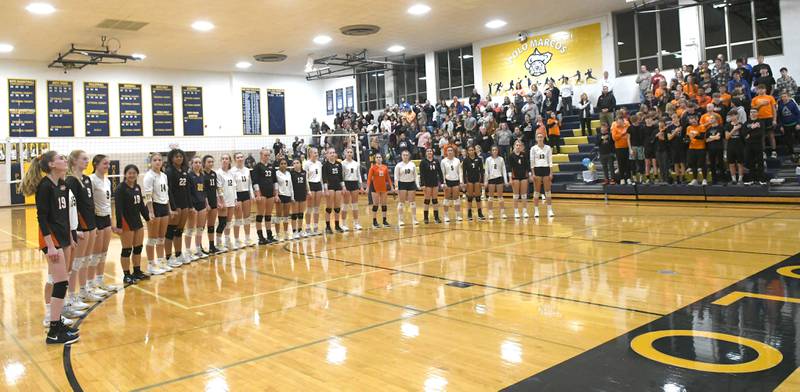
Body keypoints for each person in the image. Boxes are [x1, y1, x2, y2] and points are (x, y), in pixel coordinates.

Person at [23, 151, 81, 344]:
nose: (64, 161)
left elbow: (63, 215)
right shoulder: (45, 186)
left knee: (61, 280)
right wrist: (51, 246)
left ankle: (57, 324)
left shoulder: (62, 184)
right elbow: (42, 218)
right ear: (51, 165)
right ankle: (53, 330)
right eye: (60, 159)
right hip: (50, 238)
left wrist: (70, 238)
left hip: (62, 237)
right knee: (61, 281)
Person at [64, 151, 95, 318]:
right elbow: (72, 207)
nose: (87, 161)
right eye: (84, 158)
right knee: (75, 264)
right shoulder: (71, 180)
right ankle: (72, 297)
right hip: (80, 226)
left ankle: (83, 291)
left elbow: (88, 203)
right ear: (74, 161)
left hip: (90, 224)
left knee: (84, 261)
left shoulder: (86, 179)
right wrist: (77, 229)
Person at [112, 164, 150, 287]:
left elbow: (141, 205)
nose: (132, 175)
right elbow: (118, 209)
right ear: (125, 174)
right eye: (129, 173)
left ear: (137, 174)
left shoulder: (137, 187)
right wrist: (119, 225)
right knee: (127, 250)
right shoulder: (120, 189)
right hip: (126, 222)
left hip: (137, 222)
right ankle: (126, 275)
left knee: (138, 248)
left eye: (134, 173)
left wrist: (148, 218)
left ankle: (137, 271)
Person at [88, 155, 117, 297]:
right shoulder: (91, 180)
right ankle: (90, 284)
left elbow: (107, 201)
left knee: (103, 252)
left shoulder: (107, 180)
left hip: (106, 217)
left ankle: (100, 281)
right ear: (96, 164)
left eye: (108, 163)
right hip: (96, 218)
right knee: (95, 253)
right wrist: (92, 224)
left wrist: (111, 221)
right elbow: (89, 202)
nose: (107, 165)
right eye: (105, 163)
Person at [143, 153, 171, 276]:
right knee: (152, 238)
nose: (158, 162)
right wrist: (150, 211)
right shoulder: (149, 176)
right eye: (155, 160)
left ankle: (160, 261)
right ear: (151, 162)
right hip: (154, 206)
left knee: (161, 237)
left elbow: (167, 193)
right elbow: (148, 195)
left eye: (159, 160)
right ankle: (150, 264)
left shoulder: (164, 175)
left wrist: (169, 208)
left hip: (164, 206)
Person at [164, 149, 192, 265]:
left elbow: (187, 190)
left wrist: (190, 205)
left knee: (179, 231)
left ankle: (179, 254)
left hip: (184, 203)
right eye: (176, 156)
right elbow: (168, 190)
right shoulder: (169, 172)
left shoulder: (184, 171)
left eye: (181, 156)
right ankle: (168, 257)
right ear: (171, 158)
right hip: (175, 205)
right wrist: (173, 207)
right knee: (170, 231)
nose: (179, 158)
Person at [252, 149, 277, 244]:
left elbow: (275, 180)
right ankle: (260, 237)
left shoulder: (271, 166)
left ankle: (269, 235)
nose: (267, 157)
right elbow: (255, 181)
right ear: (261, 155)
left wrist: (276, 192)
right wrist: (258, 194)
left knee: (268, 215)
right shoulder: (257, 167)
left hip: (270, 193)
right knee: (260, 215)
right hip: (262, 194)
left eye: (268, 155)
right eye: (265, 155)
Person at [231, 152, 255, 247]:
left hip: (246, 194)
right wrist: (235, 199)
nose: (240, 159)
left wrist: (252, 195)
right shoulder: (232, 171)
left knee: (247, 218)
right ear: (235, 159)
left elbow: (250, 184)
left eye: (241, 157)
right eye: (238, 157)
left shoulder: (247, 170)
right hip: (237, 194)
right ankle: (236, 240)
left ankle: (247, 238)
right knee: (238, 219)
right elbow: (232, 186)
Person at [187, 157, 208, 259]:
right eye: (195, 162)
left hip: (202, 204)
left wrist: (206, 203)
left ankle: (198, 250)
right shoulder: (189, 176)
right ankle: (187, 252)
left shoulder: (202, 176)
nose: (198, 164)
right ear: (192, 164)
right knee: (190, 229)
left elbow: (204, 192)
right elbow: (188, 193)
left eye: (199, 162)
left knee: (200, 229)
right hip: (193, 206)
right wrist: (191, 207)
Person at [530, 132, 555, 218]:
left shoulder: (548, 148)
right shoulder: (533, 148)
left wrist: (551, 172)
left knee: (548, 191)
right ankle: (536, 211)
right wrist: (533, 173)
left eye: (541, 137)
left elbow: (550, 160)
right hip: (537, 169)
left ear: (543, 138)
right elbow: (532, 161)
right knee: (536, 191)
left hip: (546, 169)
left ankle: (550, 209)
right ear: (536, 139)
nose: (540, 138)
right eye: (538, 137)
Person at [216, 154, 238, 250]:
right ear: (221, 161)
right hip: (223, 201)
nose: (225, 160)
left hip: (231, 200)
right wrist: (221, 201)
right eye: (223, 159)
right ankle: (218, 242)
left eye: (227, 159)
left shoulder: (231, 173)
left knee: (228, 223)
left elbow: (234, 187)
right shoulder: (218, 173)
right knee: (222, 223)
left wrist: (235, 200)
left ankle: (227, 240)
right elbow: (218, 188)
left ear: (229, 161)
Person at [322, 148, 345, 233]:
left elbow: (341, 177)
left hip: (338, 186)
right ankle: (327, 227)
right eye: (330, 153)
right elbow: (324, 178)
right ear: (327, 155)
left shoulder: (339, 164)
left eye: (333, 153)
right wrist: (326, 189)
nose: (332, 154)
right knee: (329, 208)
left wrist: (343, 187)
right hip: (330, 187)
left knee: (337, 208)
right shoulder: (325, 165)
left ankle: (337, 225)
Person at [201, 155, 221, 254]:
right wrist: (206, 203)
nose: (211, 164)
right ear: (204, 163)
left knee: (211, 225)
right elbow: (202, 191)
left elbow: (216, 189)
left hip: (213, 201)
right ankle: (199, 247)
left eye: (212, 162)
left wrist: (218, 201)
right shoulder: (201, 174)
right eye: (209, 162)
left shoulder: (214, 174)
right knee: (201, 226)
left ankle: (212, 246)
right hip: (205, 203)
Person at [394, 150, 419, 226]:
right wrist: (396, 186)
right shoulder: (398, 165)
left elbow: (416, 175)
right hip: (402, 184)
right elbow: (396, 177)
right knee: (401, 202)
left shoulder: (412, 164)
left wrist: (417, 184)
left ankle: (414, 219)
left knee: (412, 202)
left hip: (411, 183)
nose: (405, 156)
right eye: (404, 155)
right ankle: (400, 220)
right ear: (401, 156)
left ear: (409, 156)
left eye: (407, 155)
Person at [366, 153, 392, 228]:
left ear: (382, 158)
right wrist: (367, 188)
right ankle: (374, 221)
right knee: (376, 204)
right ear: (375, 159)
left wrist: (391, 186)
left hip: (383, 188)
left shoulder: (385, 167)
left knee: (384, 204)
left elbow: (388, 178)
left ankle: (384, 221)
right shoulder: (372, 168)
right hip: (375, 188)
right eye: (377, 157)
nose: (378, 158)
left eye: (379, 157)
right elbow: (369, 179)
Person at [341, 148, 363, 231]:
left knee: (355, 204)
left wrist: (360, 185)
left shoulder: (356, 163)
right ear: (345, 153)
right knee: (345, 204)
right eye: (348, 152)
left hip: (354, 183)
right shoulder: (342, 164)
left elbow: (359, 175)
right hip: (346, 183)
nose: (349, 153)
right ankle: (343, 224)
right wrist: (343, 186)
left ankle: (356, 223)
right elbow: (342, 176)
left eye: (351, 152)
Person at [419, 148, 443, 224]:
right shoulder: (423, 162)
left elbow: (440, 172)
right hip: (427, 183)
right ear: (426, 153)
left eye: (430, 151)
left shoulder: (436, 161)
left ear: (432, 152)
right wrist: (422, 184)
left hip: (435, 182)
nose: (429, 152)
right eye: (428, 151)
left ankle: (436, 217)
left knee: (435, 200)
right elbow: (421, 174)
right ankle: (426, 218)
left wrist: (442, 182)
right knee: (427, 200)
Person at [507, 140, 530, 219]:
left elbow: (527, 165)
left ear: (521, 147)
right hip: (515, 177)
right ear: (514, 146)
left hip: (523, 176)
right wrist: (510, 178)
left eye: (519, 145)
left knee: (524, 195)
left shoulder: (524, 154)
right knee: (516, 195)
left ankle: (524, 211)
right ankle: (516, 212)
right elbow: (509, 168)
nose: (518, 147)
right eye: (517, 145)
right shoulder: (511, 156)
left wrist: (529, 175)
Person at [303, 148, 324, 236]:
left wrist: (322, 188)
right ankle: (308, 228)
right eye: (315, 153)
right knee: (309, 208)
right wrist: (308, 190)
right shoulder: (306, 164)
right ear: (310, 154)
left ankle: (315, 227)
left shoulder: (319, 163)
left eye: (317, 153)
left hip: (318, 185)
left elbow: (321, 177)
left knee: (317, 208)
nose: (316, 154)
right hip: (310, 185)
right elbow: (305, 178)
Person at [484, 146, 508, 220]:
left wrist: (506, 181)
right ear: (491, 151)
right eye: (493, 150)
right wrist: (486, 181)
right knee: (490, 197)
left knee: (500, 197)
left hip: (499, 178)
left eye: (496, 150)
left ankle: (502, 212)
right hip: (491, 179)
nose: (494, 151)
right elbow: (486, 171)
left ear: (498, 151)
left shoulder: (501, 159)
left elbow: (503, 170)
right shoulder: (488, 160)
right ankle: (490, 213)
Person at [441, 146, 463, 223]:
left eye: (451, 150)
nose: (450, 152)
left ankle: (458, 215)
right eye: (448, 150)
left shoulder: (457, 160)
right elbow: (442, 173)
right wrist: (443, 182)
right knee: (446, 199)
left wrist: (461, 181)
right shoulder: (443, 161)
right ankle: (446, 216)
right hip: (447, 181)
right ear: (446, 152)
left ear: (454, 152)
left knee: (456, 198)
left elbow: (460, 171)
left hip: (456, 181)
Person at [744, 108, 766, 185]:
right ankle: (751, 179)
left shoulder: (761, 122)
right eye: (751, 112)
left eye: (754, 112)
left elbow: (760, 134)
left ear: (757, 113)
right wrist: (751, 128)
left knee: (760, 162)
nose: (752, 113)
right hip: (748, 145)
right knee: (750, 163)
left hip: (758, 144)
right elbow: (743, 133)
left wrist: (749, 135)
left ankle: (762, 179)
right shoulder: (746, 122)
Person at [462, 145, 484, 221]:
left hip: (477, 180)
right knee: (470, 197)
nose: (471, 151)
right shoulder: (466, 160)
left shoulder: (479, 159)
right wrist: (465, 182)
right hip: (470, 181)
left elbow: (481, 171)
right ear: (467, 152)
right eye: (469, 150)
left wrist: (482, 181)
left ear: (474, 150)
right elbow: (464, 172)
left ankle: (480, 213)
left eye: (472, 150)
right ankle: (469, 213)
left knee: (478, 197)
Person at [273, 158, 294, 242]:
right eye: (281, 163)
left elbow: (291, 185)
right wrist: (276, 195)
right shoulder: (276, 173)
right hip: (280, 196)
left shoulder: (288, 173)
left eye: (285, 163)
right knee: (278, 216)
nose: (283, 165)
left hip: (288, 195)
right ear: (279, 165)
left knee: (286, 216)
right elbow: (275, 185)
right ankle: (277, 234)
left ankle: (285, 233)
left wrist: (292, 196)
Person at [685, 116, 708, 186]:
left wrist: (694, 136)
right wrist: (687, 140)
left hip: (701, 148)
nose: (693, 121)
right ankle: (695, 179)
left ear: (697, 119)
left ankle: (704, 179)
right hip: (692, 148)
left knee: (702, 164)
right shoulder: (688, 128)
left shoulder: (701, 127)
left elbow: (702, 137)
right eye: (691, 120)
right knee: (693, 164)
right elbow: (687, 137)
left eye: (694, 119)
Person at [725, 112, 746, 185]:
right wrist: (734, 129)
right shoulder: (727, 125)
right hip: (731, 145)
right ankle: (733, 179)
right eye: (730, 116)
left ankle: (740, 179)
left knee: (740, 163)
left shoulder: (742, 125)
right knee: (731, 163)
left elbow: (744, 136)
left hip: (739, 145)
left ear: (737, 115)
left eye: (733, 115)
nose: (732, 117)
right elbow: (727, 137)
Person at [667, 114, 687, 184]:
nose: (674, 119)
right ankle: (678, 178)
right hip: (673, 147)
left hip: (682, 147)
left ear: (678, 118)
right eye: (673, 118)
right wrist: (675, 131)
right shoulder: (669, 128)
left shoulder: (683, 127)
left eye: (675, 117)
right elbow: (669, 138)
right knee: (676, 163)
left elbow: (686, 137)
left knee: (682, 163)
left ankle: (683, 177)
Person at [290, 159, 308, 238]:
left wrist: (309, 191)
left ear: (300, 164)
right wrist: (292, 196)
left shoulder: (304, 172)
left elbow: (306, 182)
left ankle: (300, 230)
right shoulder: (291, 173)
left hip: (303, 194)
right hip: (295, 195)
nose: (296, 164)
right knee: (294, 214)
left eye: (297, 163)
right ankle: (294, 231)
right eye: (294, 163)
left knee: (301, 214)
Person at [611, 115, 631, 184]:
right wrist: (622, 134)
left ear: (623, 121)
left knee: (628, 163)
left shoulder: (627, 125)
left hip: (627, 147)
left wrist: (620, 135)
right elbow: (614, 138)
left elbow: (630, 134)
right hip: (619, 148)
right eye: (618, 122)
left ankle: (628, 178)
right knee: (620, 163)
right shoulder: (615, 127)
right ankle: (622, 178)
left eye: (620, 122)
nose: (619, 124)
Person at [627, 114, 645, 184]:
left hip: (640, 146)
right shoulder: (630, 128)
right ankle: (634, 177)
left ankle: (641, 177)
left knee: (641, 162)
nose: (638, 121)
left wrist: (644, 147)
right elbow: (628, 139)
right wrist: (630, 149)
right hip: (633, 147)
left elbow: (643, 138)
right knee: (633, 163)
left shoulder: (641, 127)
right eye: (637, 119)